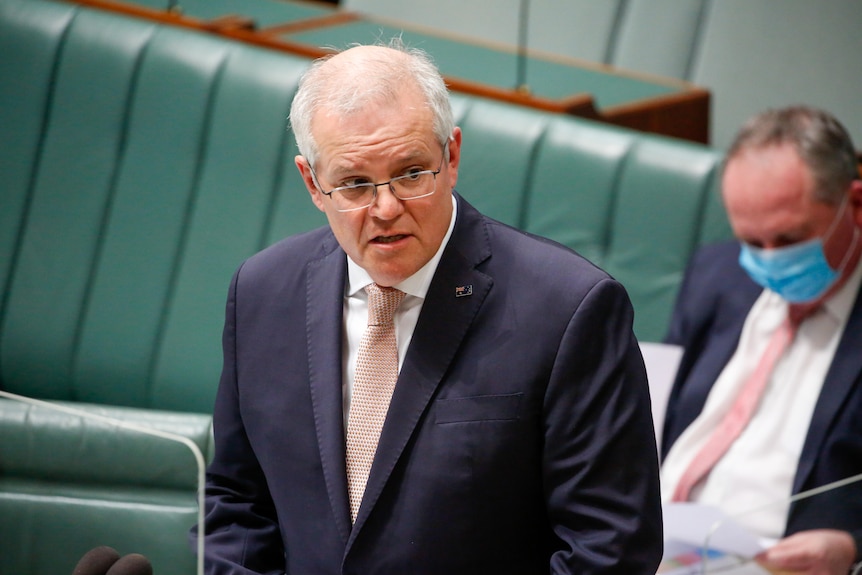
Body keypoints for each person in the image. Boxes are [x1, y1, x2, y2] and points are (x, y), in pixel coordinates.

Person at [190, 40, 662, 574]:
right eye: (354, 184)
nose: (386, 208)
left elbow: (610, 549)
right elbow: (234, 500)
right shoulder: (262, 292)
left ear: (452, 156)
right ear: (313, 184)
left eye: (411, 173)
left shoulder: (569, 309)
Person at [661, 106, 862, 575]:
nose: (768, 261)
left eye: (789, 239)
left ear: (854, 204)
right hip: (655, 544)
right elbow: (656, 416)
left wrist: (853, 547)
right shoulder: (717, 272)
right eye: (751, 240)